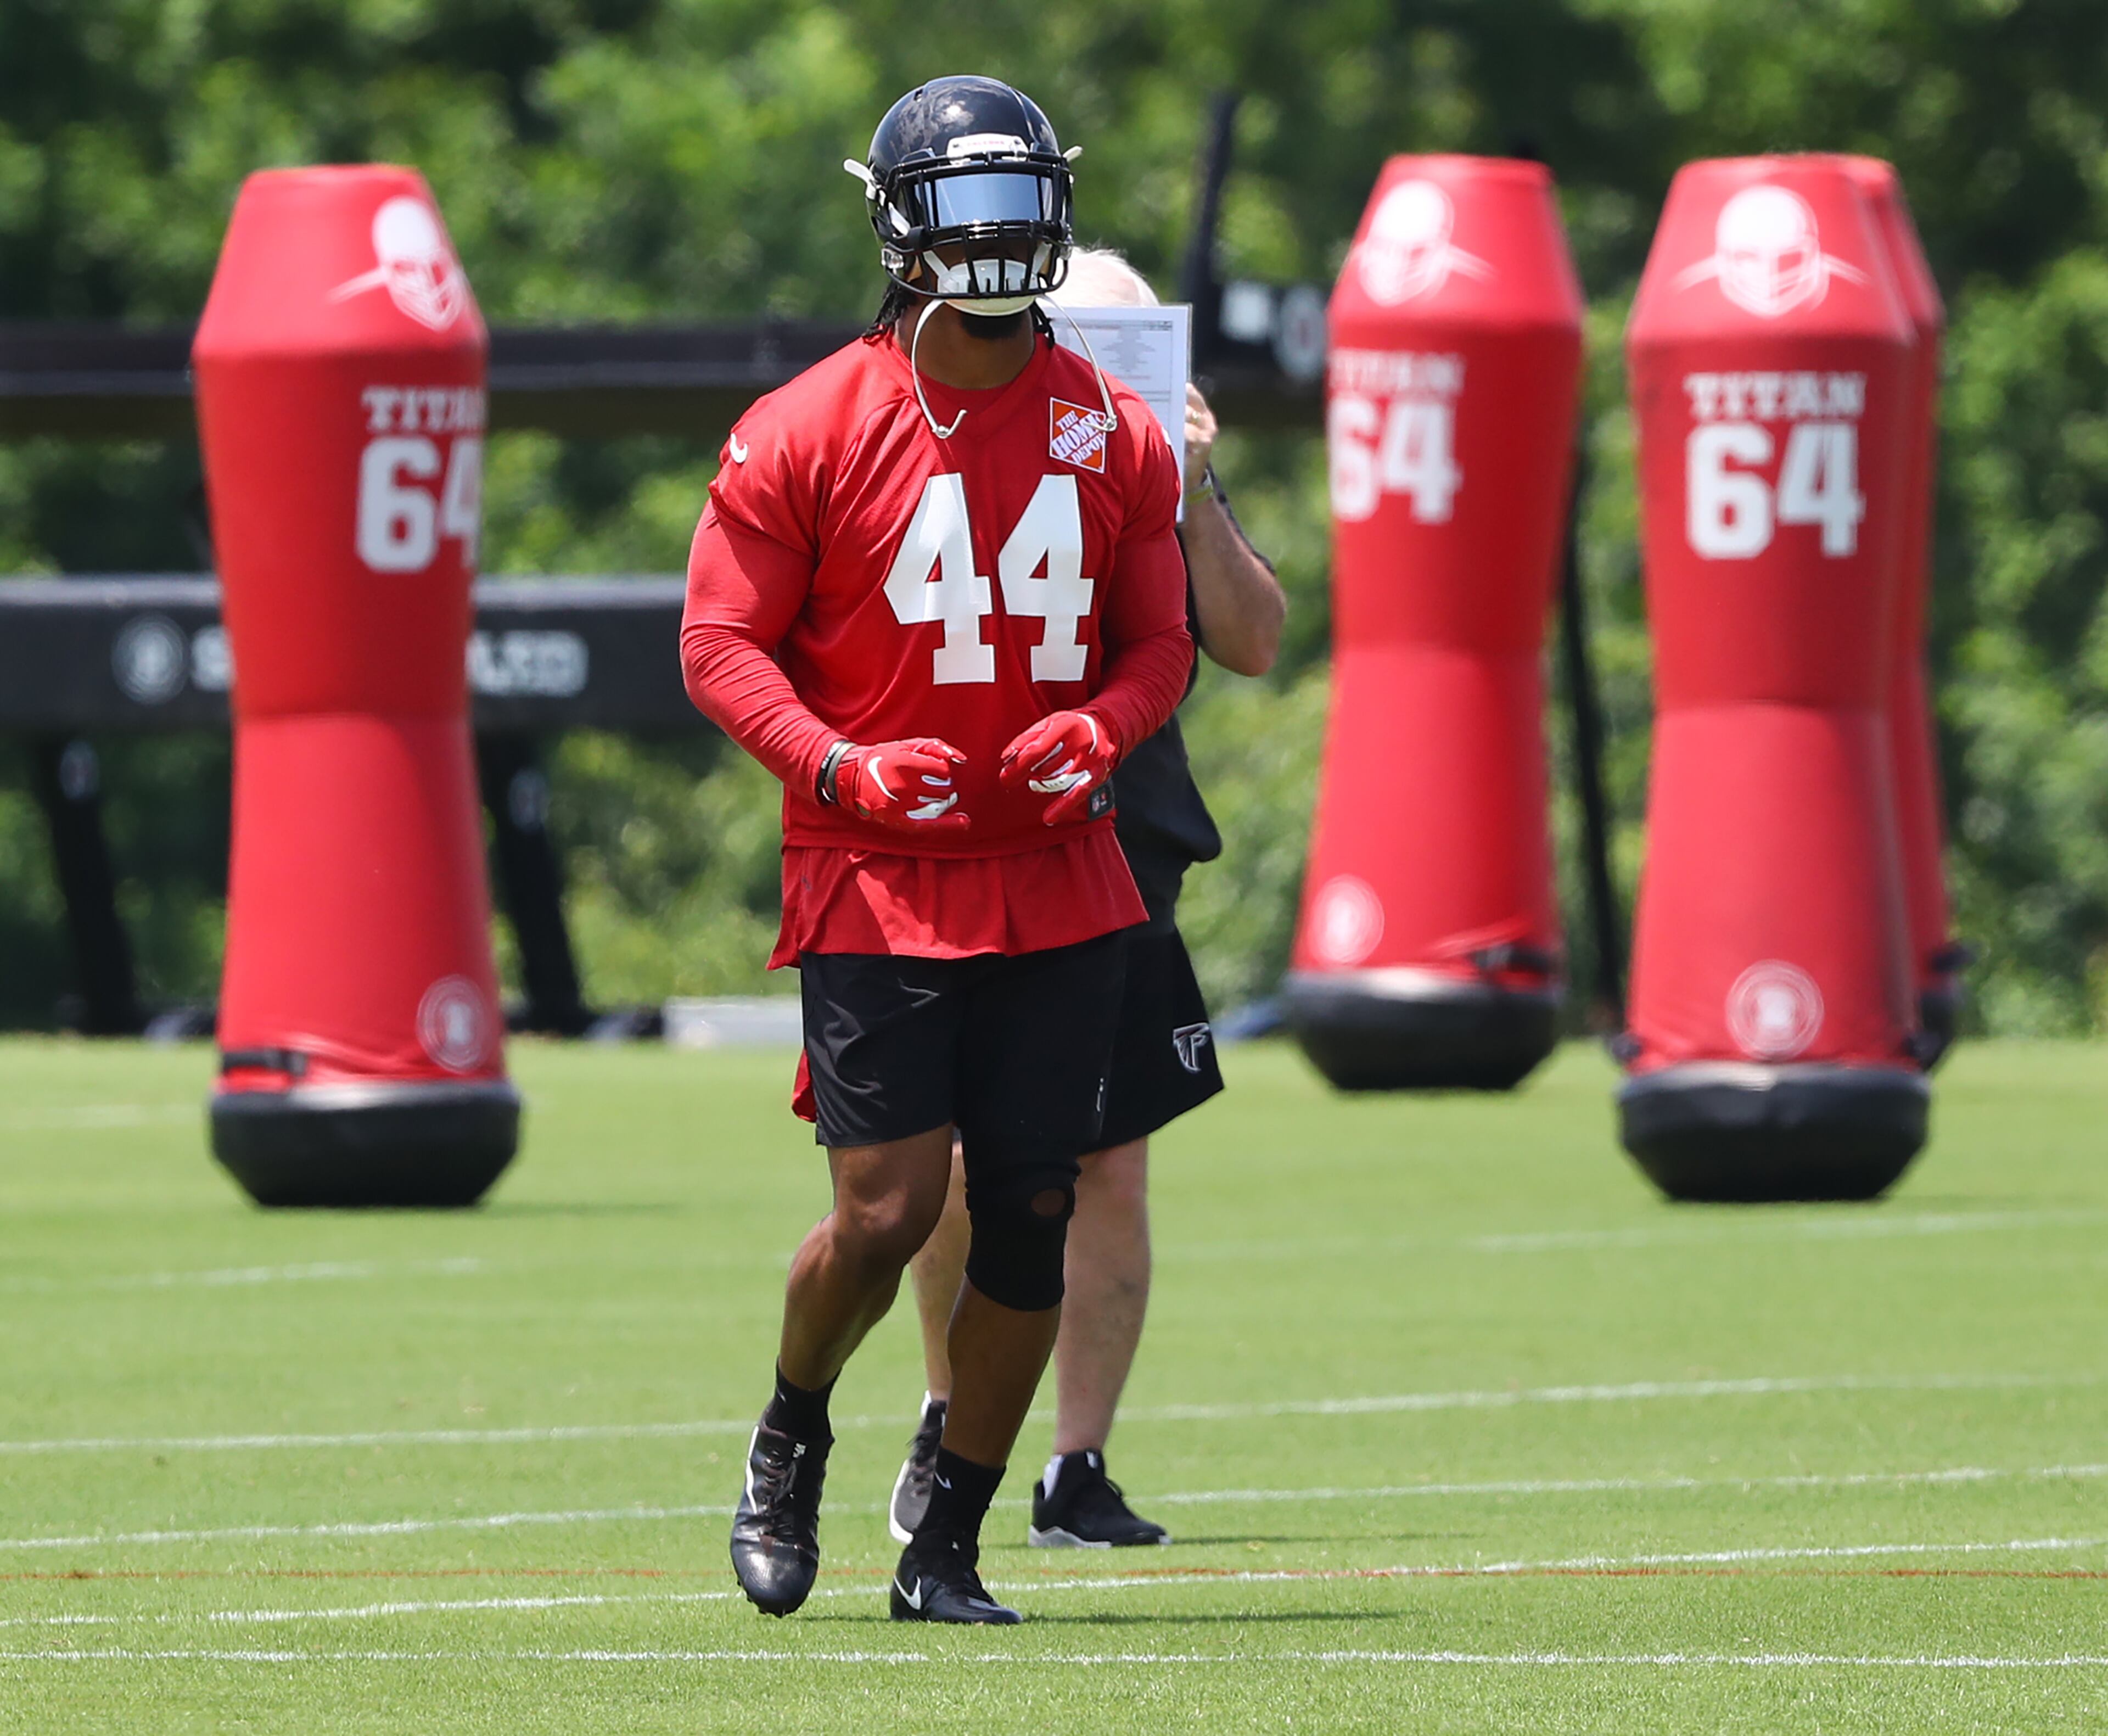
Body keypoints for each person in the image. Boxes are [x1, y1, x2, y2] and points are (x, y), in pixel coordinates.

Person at [680, 76, 1192, 1626]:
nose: (992, 243)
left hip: (1055, 871)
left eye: (1014, 208)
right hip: (876, 870)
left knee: (1036, 1201)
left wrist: (1101, 729)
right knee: (890, 1207)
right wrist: (834, 759)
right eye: (961, 212)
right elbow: (719, 644)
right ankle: (792, 1426)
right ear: (899, 228)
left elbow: (1162, 645)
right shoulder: (809, 426)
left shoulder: (1111, 428)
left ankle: (948, 1539)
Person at [889, 251, 1285, 1552]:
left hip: (1121, 845)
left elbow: (1255, 639)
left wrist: (1192, 477)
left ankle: (1077, 1466)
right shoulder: (954, 430)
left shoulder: (1141, 455)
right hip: (972, 832)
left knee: (1108, 1167)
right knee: (951, 1162)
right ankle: (951, 1430)